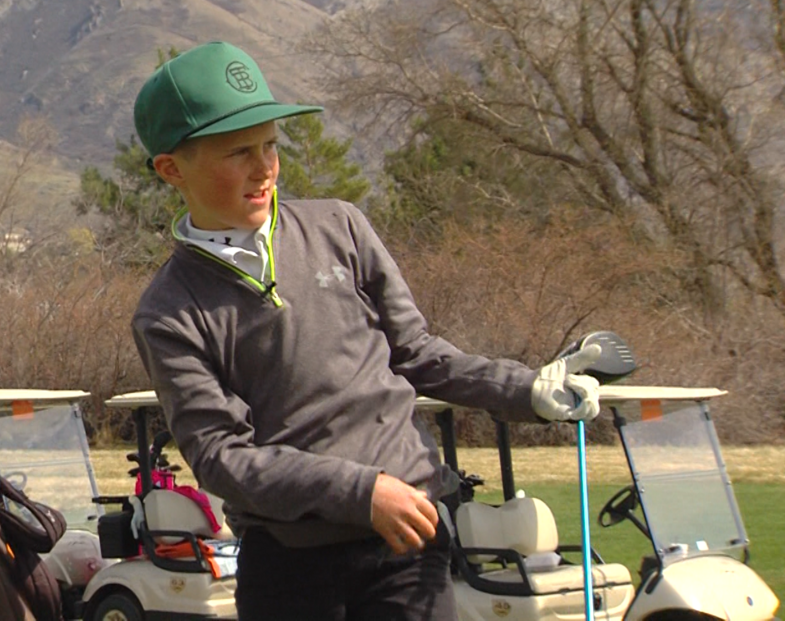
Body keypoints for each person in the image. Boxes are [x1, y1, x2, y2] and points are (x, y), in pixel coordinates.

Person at [128, 40, 601, 621]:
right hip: (290, 569)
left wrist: (527, 390)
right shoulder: (170, 311)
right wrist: (361, 493)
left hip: (411, 540)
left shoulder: (341, 227)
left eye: (272, 145)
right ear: (172, 169)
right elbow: (223, 458)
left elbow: (418, 353)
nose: (265, 167)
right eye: (238, 152)